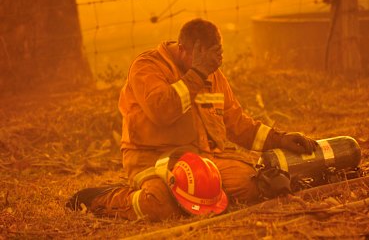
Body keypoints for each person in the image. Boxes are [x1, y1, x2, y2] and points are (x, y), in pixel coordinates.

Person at [66, 18, 317, 221]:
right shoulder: (148, 67)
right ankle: (105, 198)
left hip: (203, 160)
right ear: (183, 48)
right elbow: (162, 111)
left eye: (216, 57)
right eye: (205, 58)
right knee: (160, 207)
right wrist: (196, 73)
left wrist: (279, 139)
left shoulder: (211, 71)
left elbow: (237, 122)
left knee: (252, 186)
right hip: (153, 159)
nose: (212, 65)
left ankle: (196, 193)